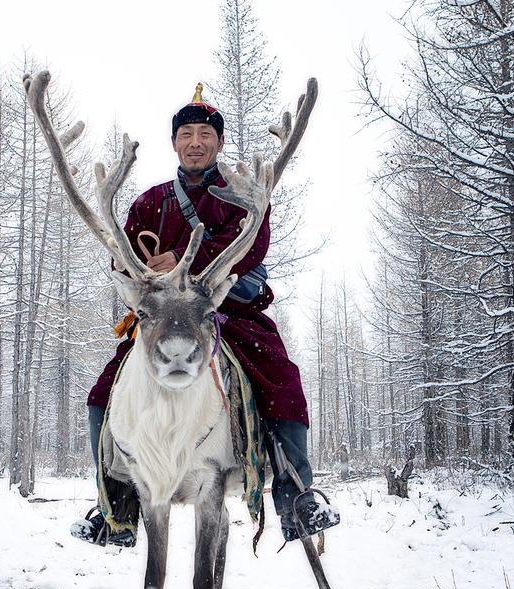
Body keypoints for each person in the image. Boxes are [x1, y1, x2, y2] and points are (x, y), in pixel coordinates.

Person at [72, 84, 339, 547]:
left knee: (282, 380)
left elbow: (252, 245)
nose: (196, 142)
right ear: (174, 142)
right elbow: (121, 253)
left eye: (205, 134)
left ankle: (296, 498)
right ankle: (116, 507)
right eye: (187, 134)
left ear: (218, 141)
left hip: (228, 315)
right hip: (159, 320)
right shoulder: (148, 203)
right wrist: (136, 267)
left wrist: (181, 259)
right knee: (104, 393)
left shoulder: (241, 194)